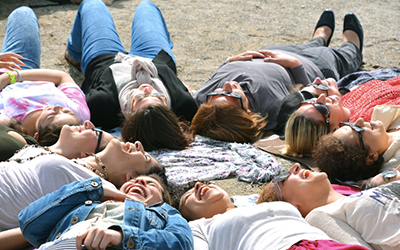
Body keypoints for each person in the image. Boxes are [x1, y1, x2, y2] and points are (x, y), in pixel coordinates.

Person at [190, 10, 363, 143]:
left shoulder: (204, 101)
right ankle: (352, 44)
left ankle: (319, 37)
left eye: (216, 93)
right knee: (343, 56)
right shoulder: (272, 110)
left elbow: (218, 77)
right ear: (247, 112)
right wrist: (295, 65)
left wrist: (228, 61)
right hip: (313, 66)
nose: (226, 85)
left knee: (311, 45)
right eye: (232, 95)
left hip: (274, 52)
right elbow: (310, 99)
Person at [65, 0, 197, 150]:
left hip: (107, 58)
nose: (147, 89)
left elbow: (75, 92)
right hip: (153, 58)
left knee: (93, 4)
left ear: (127, 113)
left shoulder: (101, 106)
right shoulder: (184, 105)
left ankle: (74, 54)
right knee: (147, 6)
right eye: (158, 96)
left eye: (140, 97)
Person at [0, 122, 160, 232]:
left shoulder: (101, 191)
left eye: (145, 156)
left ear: (129, 177)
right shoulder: (72, 161)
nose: (138, 144)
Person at [18, 175, 193, 250]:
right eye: (133, 180)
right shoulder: (84, 204)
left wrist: (121, 237)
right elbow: (28, 223)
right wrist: (94, 189)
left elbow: (180, 243)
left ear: (161, 200)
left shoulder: (165, 213)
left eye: (151, 184)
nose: (139, 181)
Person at [179, 181, 369, 250]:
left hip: (326, 244)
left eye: (206, 183)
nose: (198, 186)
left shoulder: (260, 204)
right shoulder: (199, 227)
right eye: (188, 197)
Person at [257, 163, 400, 250]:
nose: (295, 166)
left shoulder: (359, 195)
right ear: (291, 207)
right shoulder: (318, 217)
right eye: (282, 179)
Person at [0, 7, 90, 137]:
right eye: (66, 112)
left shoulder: (9, 124)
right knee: (23, 13)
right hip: (22, 69)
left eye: (52, 116)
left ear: (36, 135)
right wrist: (11, 77)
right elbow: (62, 77)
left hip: (8, 71)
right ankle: (74, 54)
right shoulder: (79, 114)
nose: (58, 108)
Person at [284, 75, 400, 157]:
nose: (321, 98)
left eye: (310, 101)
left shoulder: (342, 102)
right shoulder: (368, 120)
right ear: (334, 130)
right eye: (321, 108)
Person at [313, 115, 400, 183]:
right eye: (358, 129)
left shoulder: (383, 116)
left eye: (350, 124)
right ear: (371, 157)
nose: (360, 120)